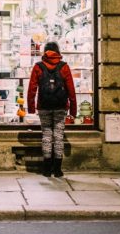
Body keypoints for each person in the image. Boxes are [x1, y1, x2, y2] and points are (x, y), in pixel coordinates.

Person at [27, 41, 77, 178]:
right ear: (58, 51)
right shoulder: (64, 67)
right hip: (61, 107)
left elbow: (32, 88)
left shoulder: (38, 67)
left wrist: (31, 107)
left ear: (45, 51)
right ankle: (58, 169)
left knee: (47, 136)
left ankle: (47, 169)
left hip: (44, 106)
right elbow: (71, 90)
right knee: (59, 136)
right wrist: (73, 110)